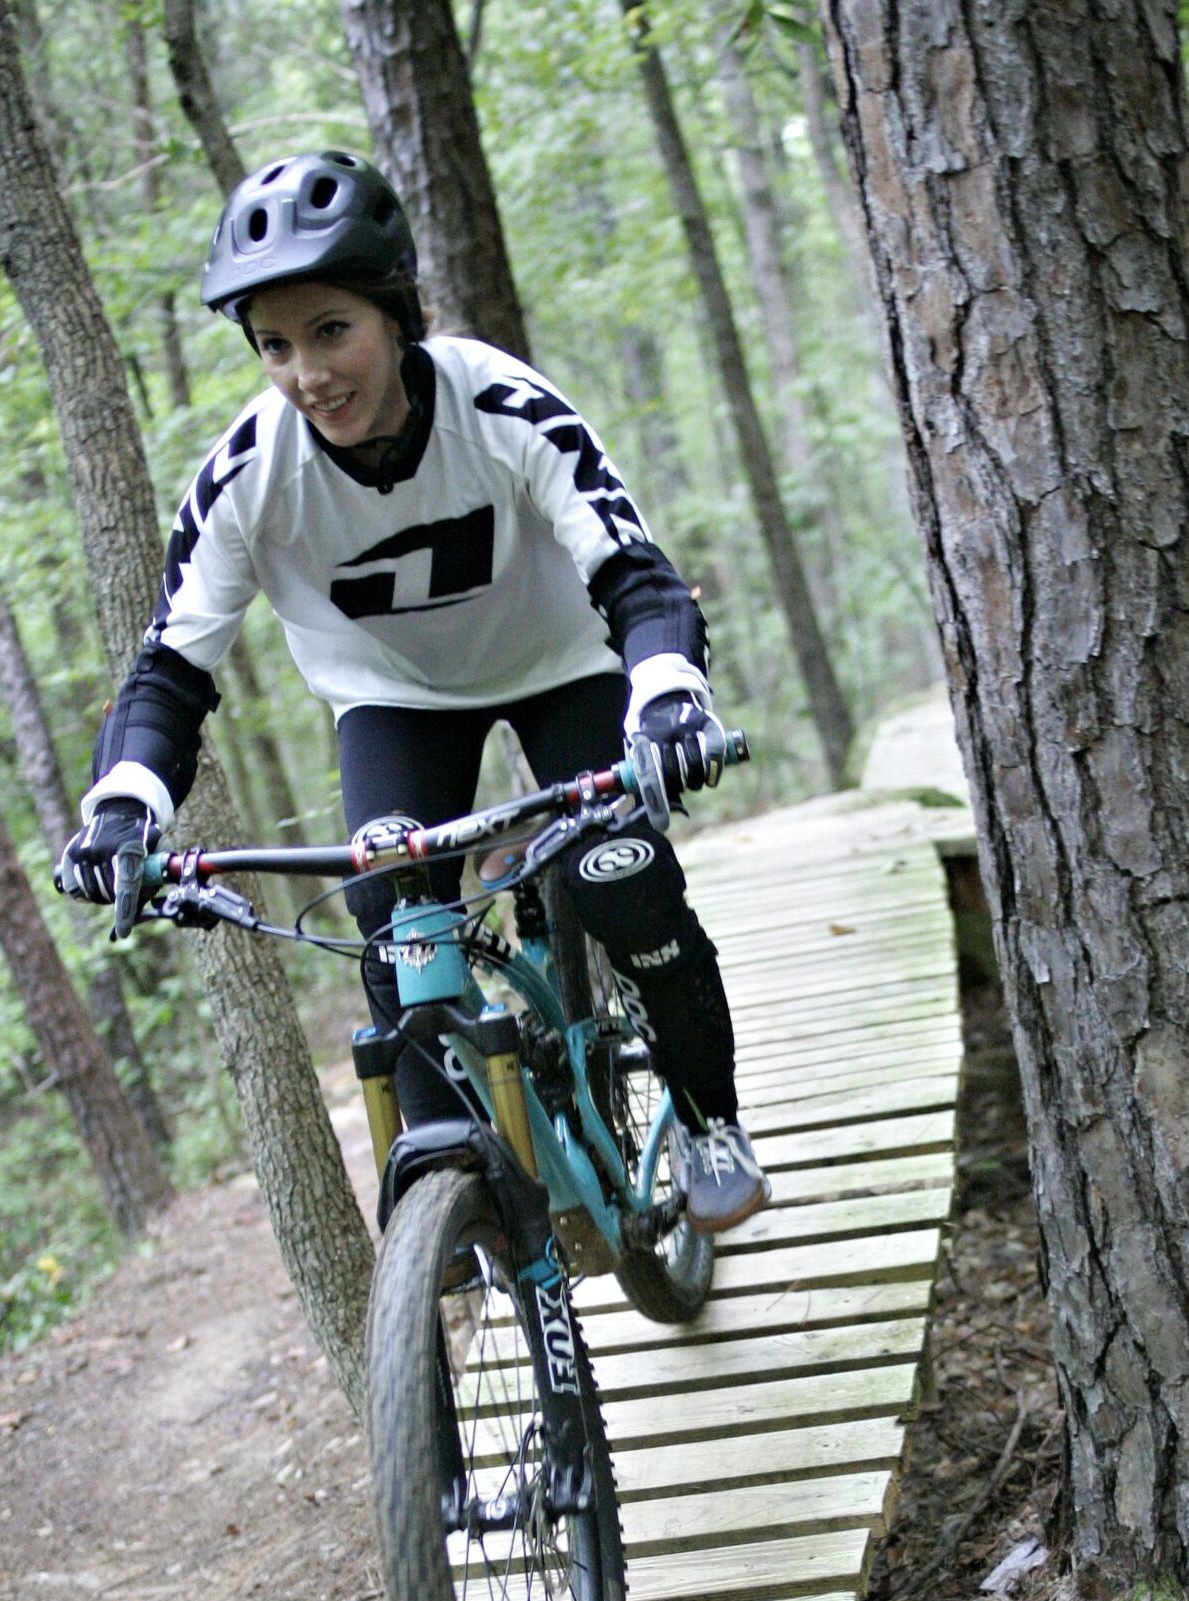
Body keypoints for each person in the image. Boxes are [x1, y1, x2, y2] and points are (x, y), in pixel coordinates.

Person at [55, 148, 767, 1233]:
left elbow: (636, 573)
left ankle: (711, 1118)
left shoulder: (502, 403)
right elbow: (172, 670)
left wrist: (668, 693)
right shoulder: (248, 474)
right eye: (275, 346)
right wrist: (123, 805)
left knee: (620, 876)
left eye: (331, 330)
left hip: (561, 662)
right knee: (395, 917)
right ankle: (461, 1220)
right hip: (392, 697)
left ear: (396, 316)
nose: (307, 373)